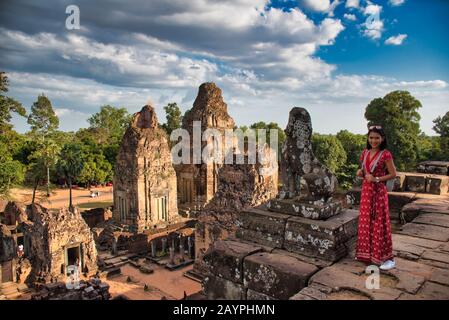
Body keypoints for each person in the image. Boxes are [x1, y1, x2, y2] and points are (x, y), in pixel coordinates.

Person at [355, 125, 397, 270]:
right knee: (366, 221)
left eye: (377, 138)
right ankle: (367, 255)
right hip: (366, 191)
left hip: (378, 192)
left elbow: (393, 174)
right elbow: (364, 169)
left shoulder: (386, 154)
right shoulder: (365, 153)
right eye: (371, 137)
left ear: (382, 139)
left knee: (380, 222)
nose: (374, 140)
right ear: (368, 138)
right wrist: (360, 171)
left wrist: (377, 179)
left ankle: (387, 258)